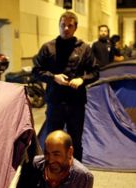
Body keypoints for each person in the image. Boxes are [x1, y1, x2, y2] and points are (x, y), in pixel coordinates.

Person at [33, 11, 98, 161]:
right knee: (52, 141)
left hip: (76, 104)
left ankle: (76, 175)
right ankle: (50, 173)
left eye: (70, 25)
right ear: (59, 26)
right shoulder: (48, 48)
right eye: (63, 25)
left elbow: (95, 72)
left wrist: (82, 79)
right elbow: (36, 71)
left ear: (75, 27)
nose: (66, 28)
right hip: (55, 102)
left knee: (75, 142)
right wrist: (53, 77)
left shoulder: (84, 48)